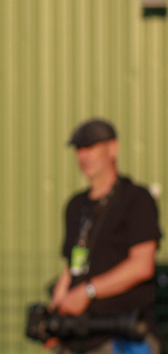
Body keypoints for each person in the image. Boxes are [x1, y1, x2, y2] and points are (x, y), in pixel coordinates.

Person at [49, 118, 162, 354]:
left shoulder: (136, 199)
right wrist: (54, 317)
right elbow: (71, 267)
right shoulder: (76, 206)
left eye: (90, 147)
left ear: (113, 149)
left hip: (122, 336)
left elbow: (142, 265)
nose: (83, 156)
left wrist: (88, 291)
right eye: (79, 149)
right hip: (77, 338)